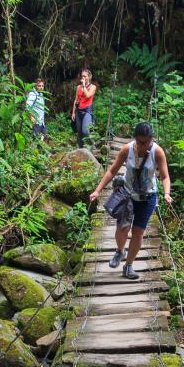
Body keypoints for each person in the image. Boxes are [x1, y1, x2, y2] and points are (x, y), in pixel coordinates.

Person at [89, 122, 172, 280]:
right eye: (141, 142)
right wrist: (97, 190)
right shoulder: (127, 150)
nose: (144, 145)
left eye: (147, 141)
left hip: (148, 197)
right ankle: (120, 251)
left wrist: (166, 193)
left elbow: (165, 176)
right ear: (135, 139)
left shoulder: (157, 152)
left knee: (138, 233)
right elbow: (112, 171)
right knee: (123, 228)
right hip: (128, 195)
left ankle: (128, 266)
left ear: (151, 139)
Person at [70, 69, 97, 148]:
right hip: (78, 111)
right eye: (82, 76)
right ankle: (81, 149)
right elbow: (76, 100)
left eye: (85, 76)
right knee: (79, 132)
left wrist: (84, 86)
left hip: (87, 111)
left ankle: (92, 145)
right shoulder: (78, 87)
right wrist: (73, 113)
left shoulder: (93, 87)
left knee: (85, 130)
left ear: (89, 77)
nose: (83, 77)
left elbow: (88, 95)